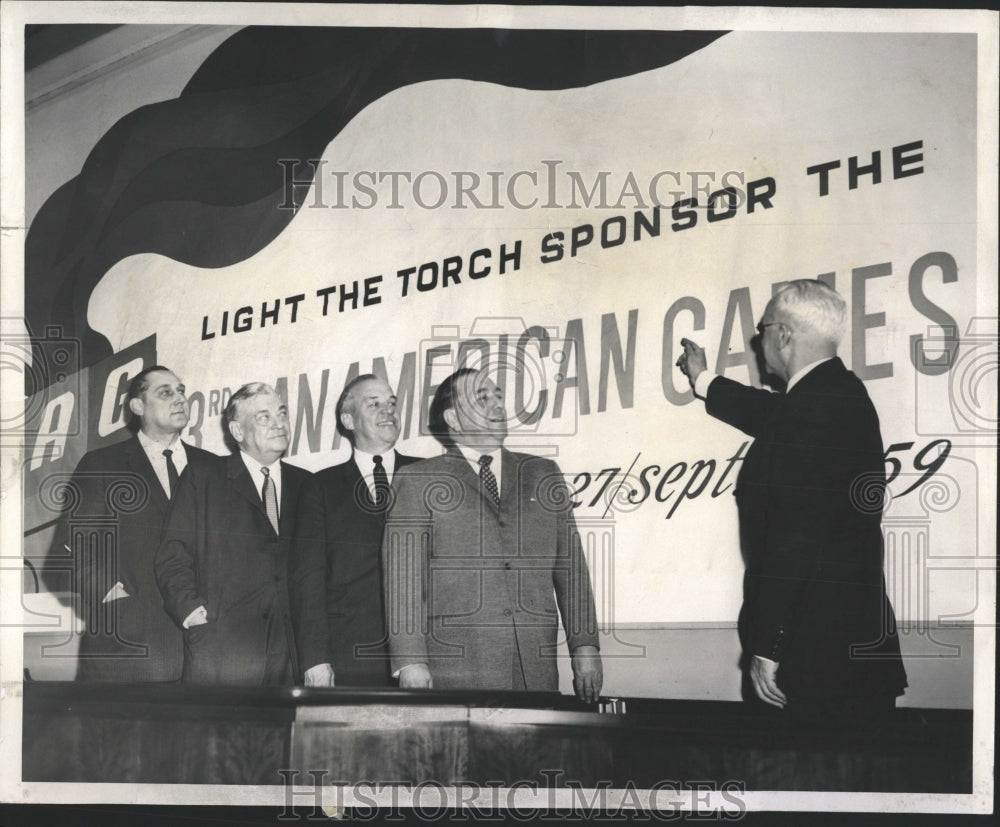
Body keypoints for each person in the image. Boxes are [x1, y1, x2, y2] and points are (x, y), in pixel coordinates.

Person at [677, 279, 907, 722]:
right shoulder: (833, 396)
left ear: (783, 335)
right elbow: (769, 414)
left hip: (815, 659)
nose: (759, 340)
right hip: (845, 655)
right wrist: (703, 379)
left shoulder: (813, 409)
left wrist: (769, 644)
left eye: (763, 329)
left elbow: (795, 538)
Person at [383, 367, 603, 702]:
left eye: (498, 396)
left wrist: (585, 645)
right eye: (482, 398)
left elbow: (572, 570)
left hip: (535, 668)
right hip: (457, 670)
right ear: (453, 419)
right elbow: (404, 582)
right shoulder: (417, 480)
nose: (497, 405)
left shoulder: (543, 474)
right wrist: (411, 661)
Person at [58, 365, 215, 682]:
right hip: (128, 651)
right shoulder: (102, 465)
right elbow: (73, 551)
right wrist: (118, 605)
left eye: (181, 390)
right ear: (138, 407)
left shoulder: (213, 467)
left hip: (206, 652)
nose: (179, 398)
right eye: (165, 392)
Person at [155, 383, 310, 685]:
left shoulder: (306, 484)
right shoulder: (204, 477)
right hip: (222, 649)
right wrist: (192, 614)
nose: (279, 423)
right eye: (264, 417)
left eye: (281, 413)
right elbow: (173, 554)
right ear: (238, 431)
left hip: (290, 654)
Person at [290, 374, 420, 687]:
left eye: (391, 402)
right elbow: (308, 579)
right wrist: (315, 658)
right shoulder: (319, 486)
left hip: (423, 656)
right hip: (349, 655)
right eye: (373, 403)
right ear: (348, 419)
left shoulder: (429, 474)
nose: (387, 410)